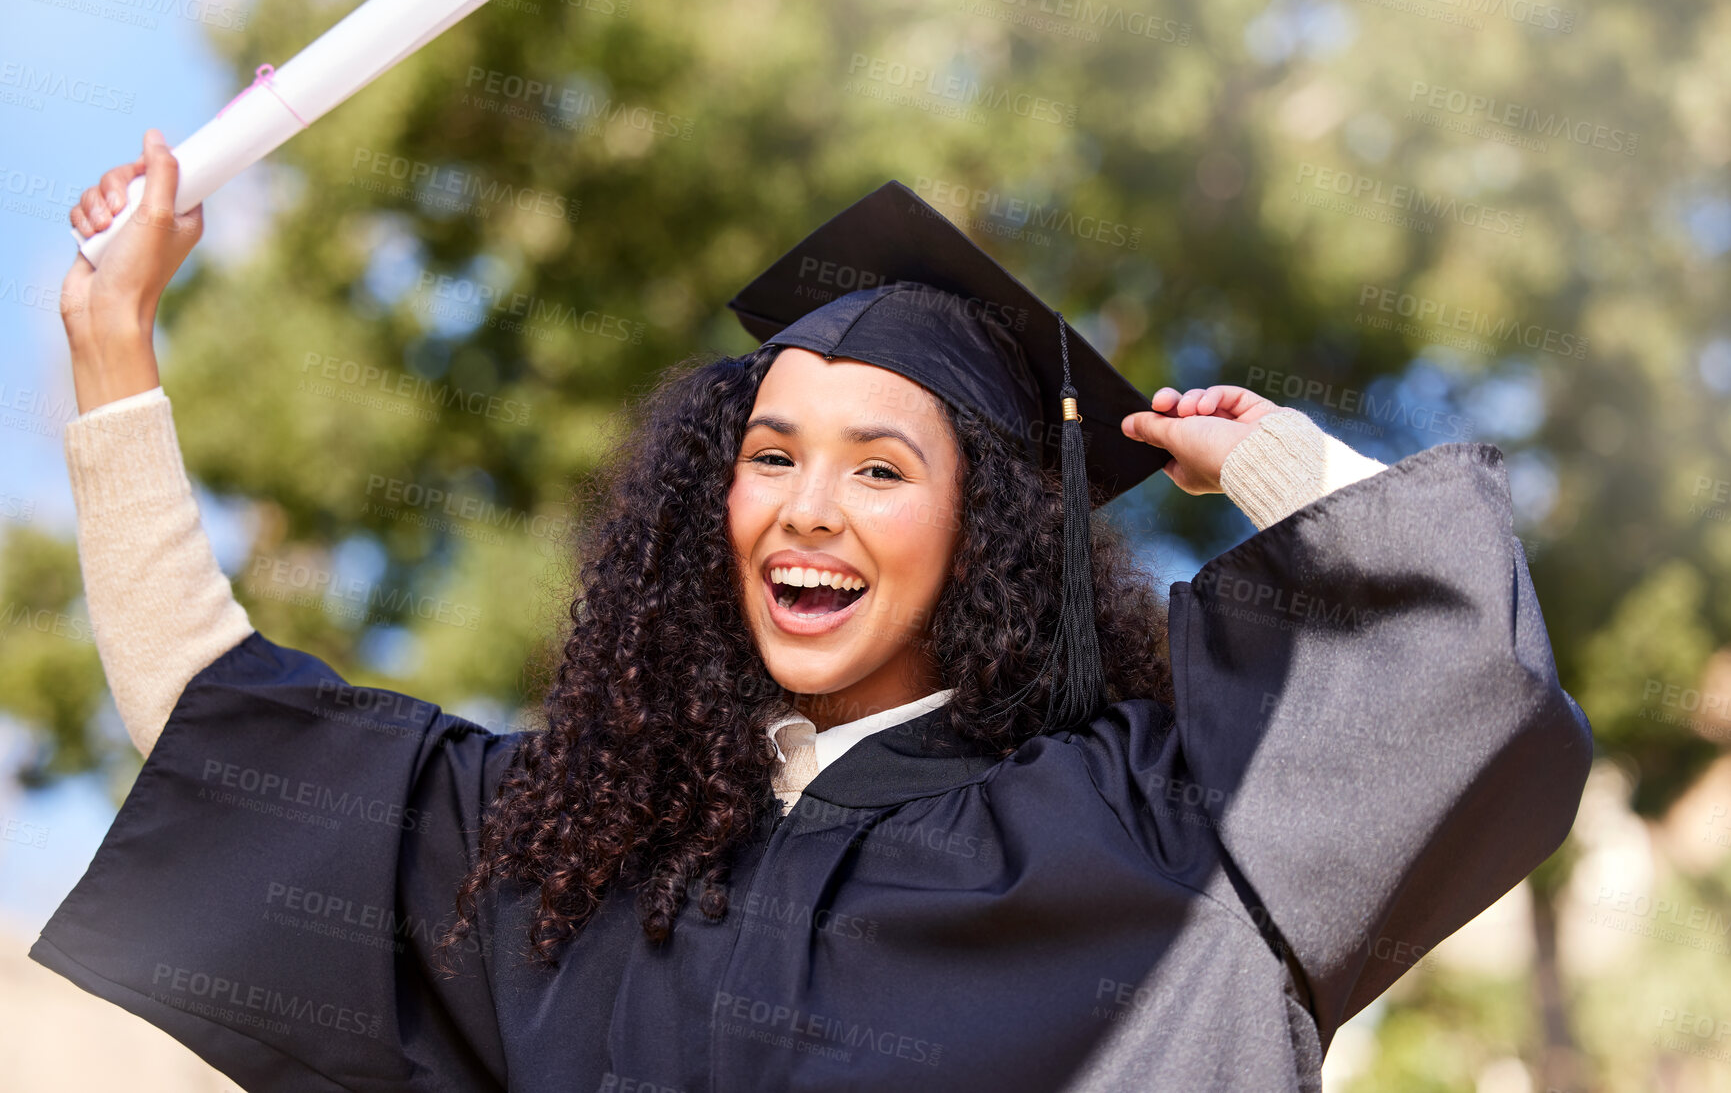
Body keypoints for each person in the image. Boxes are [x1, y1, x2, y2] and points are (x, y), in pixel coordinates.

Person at [34, 128, 1593, 1093]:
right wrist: (116, 362)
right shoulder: (588, 857)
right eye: (770, 456)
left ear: (985, 533)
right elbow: (230, 733)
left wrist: (1274, 460)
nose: (806, 507)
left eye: (879, 468)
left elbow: (1457, 684)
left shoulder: (1161, 826)